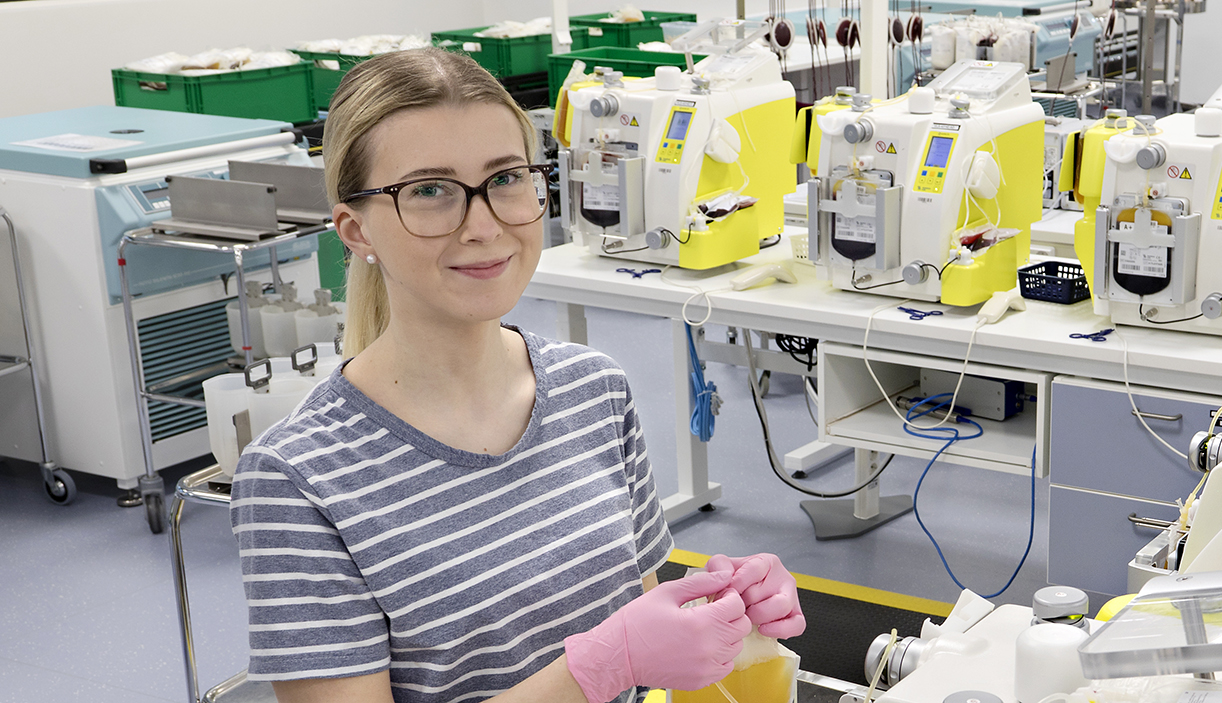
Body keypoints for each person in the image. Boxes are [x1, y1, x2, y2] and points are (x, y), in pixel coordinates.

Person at [229, 48, 803, 703]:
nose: (483, 225)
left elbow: (645, 634)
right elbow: (616, 655)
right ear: (356, 230)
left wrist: (722, 610)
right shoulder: (297, 477)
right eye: (428, 191)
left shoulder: (595, 390)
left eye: (505, 178)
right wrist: (602, 665)